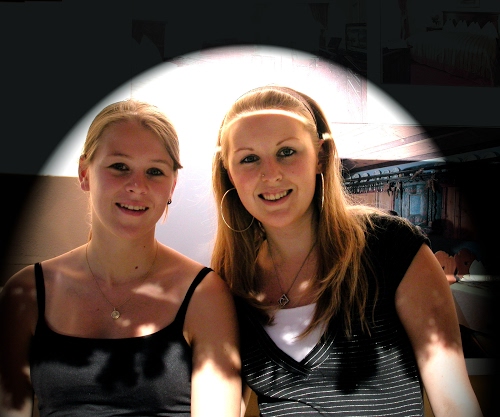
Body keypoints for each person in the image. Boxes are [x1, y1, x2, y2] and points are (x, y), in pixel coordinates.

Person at [211, 85, 483, 417]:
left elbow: (453, 399)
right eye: (249, 158)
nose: (270, 174)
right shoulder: (231, 281)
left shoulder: (392, 245)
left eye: (287, 151)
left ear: (321, 157)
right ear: (230, 173)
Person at [0, 99, 241, 417]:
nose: (137, 186)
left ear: (172, 186)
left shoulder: (205, 294)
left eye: (154, 171)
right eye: (120, 167)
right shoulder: (25, 293)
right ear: (84, 173)